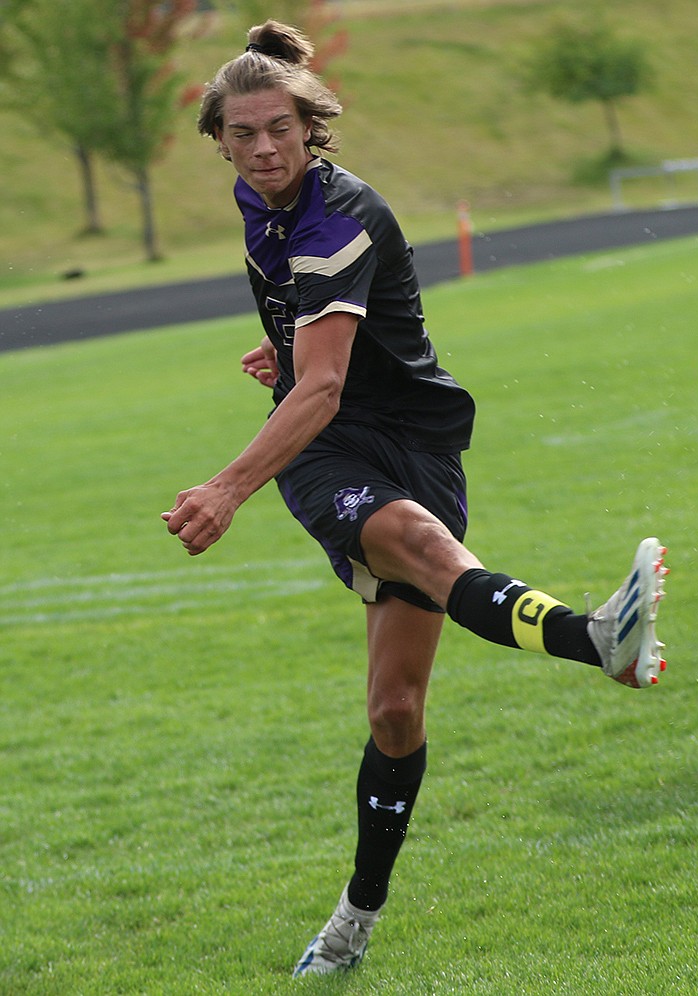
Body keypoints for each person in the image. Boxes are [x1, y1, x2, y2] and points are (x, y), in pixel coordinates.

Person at [162, 20, 668, 977]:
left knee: (395, 709)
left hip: (414, 439)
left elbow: (319, 376)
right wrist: (291, 335)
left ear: (312, 129)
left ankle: (356, 914)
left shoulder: (333, 218)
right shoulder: (260, 200)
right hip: (328, 446)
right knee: (428, 554)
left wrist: (228, 486)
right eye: (245, 134)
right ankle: (599, 639)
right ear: (219, 141)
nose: (264, 148)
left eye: (280, 129)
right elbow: (316, 387)